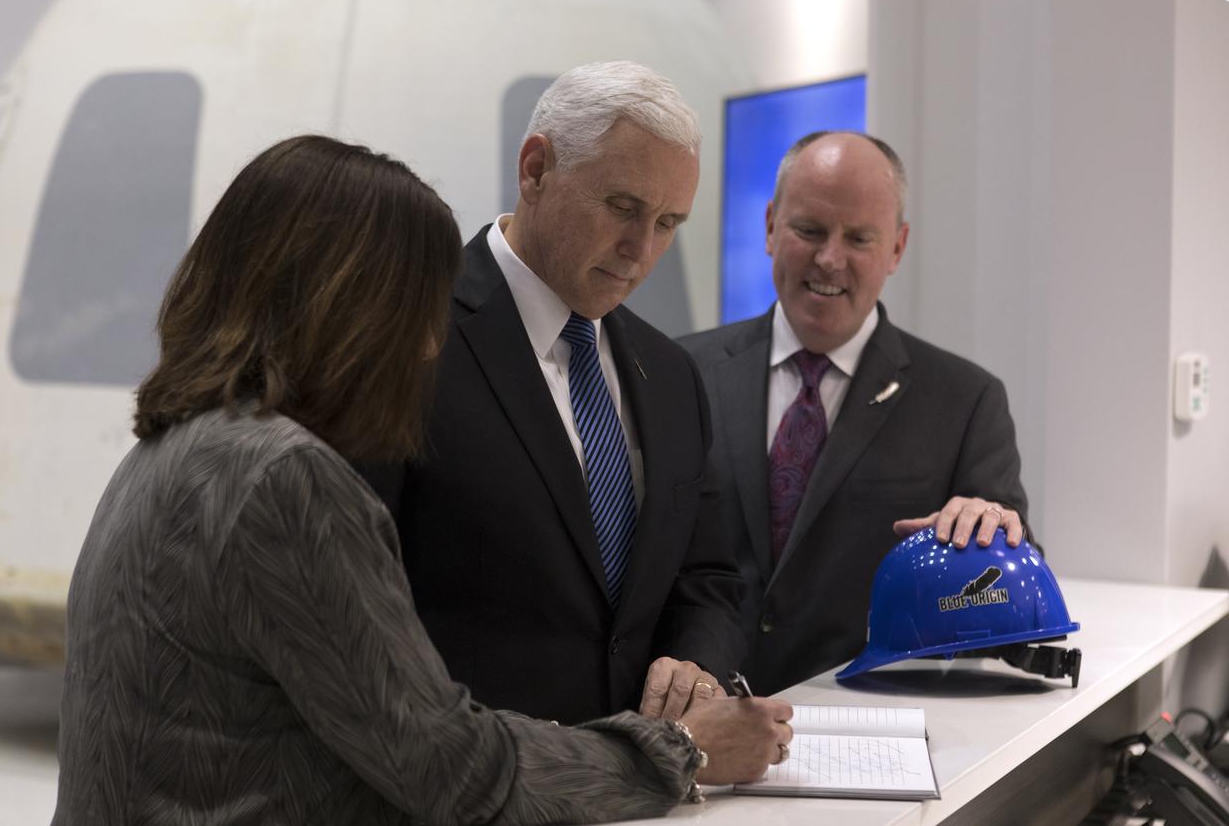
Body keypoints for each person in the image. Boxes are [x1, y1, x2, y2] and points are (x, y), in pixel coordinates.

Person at [52, 135, 793, 825]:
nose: (431, 340)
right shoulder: (285, 478)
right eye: (415, 306)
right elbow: (448, 764)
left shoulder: (167, 453)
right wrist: (682, 751)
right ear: (345, 304)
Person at [357, 62, 743, 725]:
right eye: (623, 207)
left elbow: (709, 577)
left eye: (668, 223)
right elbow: (359, 604)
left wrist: (696, 664)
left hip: (646, 787)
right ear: (535, 169)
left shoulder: (672, 373)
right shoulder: (405, 337)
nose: (641, 249)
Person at [680, 131, 1032, 695]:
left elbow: (1011, 590)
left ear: (897, 248)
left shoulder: (966, 401)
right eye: (809, 230)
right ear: (771, 226)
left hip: (870, 727)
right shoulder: (680, 373)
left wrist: (986, 533)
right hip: (698, 726)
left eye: (859, 238)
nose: (829, 259)